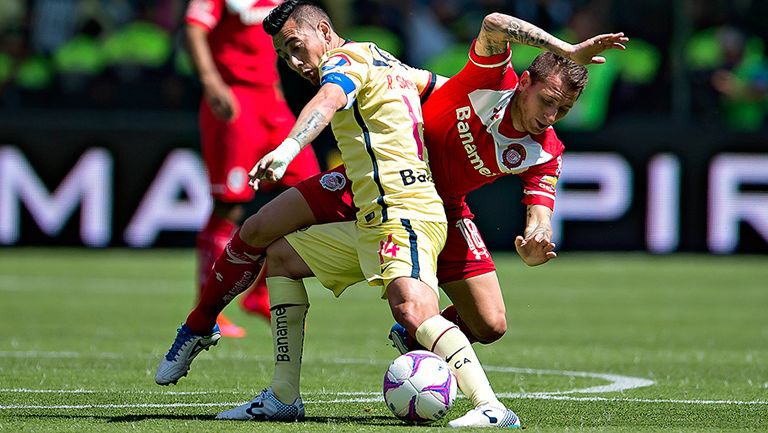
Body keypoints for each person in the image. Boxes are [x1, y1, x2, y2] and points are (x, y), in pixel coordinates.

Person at [156, 3, 627, 427]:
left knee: (489, 323)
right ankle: (220, 343)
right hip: (375, 187)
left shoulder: (546, 150)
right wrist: (566, 47)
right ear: (524, 82)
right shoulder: (486, 80)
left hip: (422, 202)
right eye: (548, 101)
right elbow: (493, 25)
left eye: (563, 109)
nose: (553, 115)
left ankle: (450, 368)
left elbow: (540, 212)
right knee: (266, 240)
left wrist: (535, 239)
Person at [184, 0, 321, 337]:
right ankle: (209, 308)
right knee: (229, 205)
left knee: (313, 193)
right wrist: (211, 81)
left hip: (270, 100)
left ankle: (259, 294)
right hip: (234, 98)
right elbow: (193, 28)